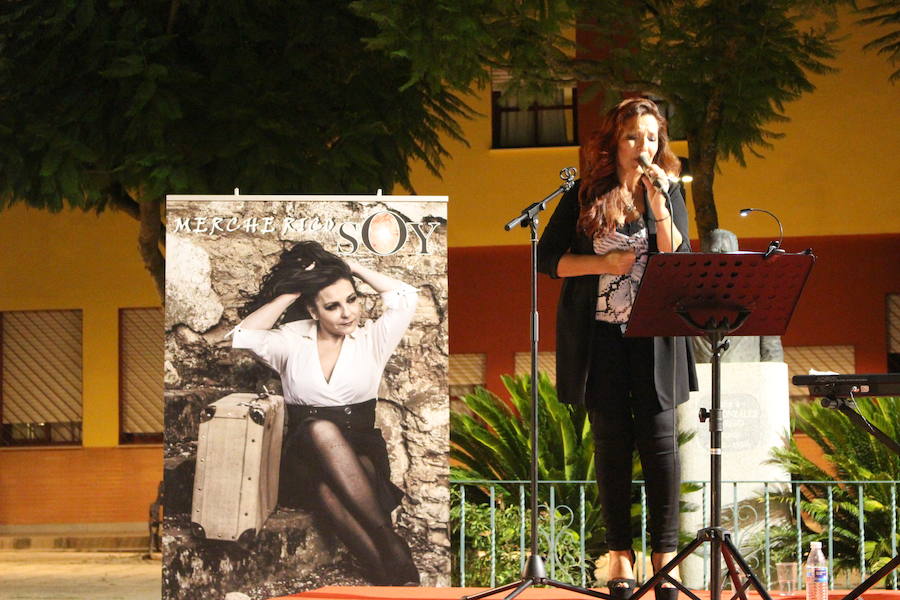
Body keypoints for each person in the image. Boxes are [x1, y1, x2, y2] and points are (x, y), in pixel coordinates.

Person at [537, 97, 698, 600]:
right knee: (610, 445)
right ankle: (619, 557)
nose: (642, 147)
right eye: (632, 137)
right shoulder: (586, 193)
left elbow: (681, 258)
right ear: (614, 142)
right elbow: (549, 259)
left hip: (655, 334)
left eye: (651, 138)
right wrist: (603, 266)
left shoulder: (667, 193)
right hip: (600, 336)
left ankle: (664, 556)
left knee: (660, 444)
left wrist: (659, 207)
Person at [230, 240, 420, 586]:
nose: (347, 313)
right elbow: (243, 336)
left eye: (352, 299)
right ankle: (391, 542)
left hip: (361, 444)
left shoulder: (372, 339)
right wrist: (293, 292)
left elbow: (406, 295)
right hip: (305, 453)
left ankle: (389, 577)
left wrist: (352, 268)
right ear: (314, 311)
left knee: (330, 492)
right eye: (332, 306)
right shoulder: (291, 339)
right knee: (320, 430)